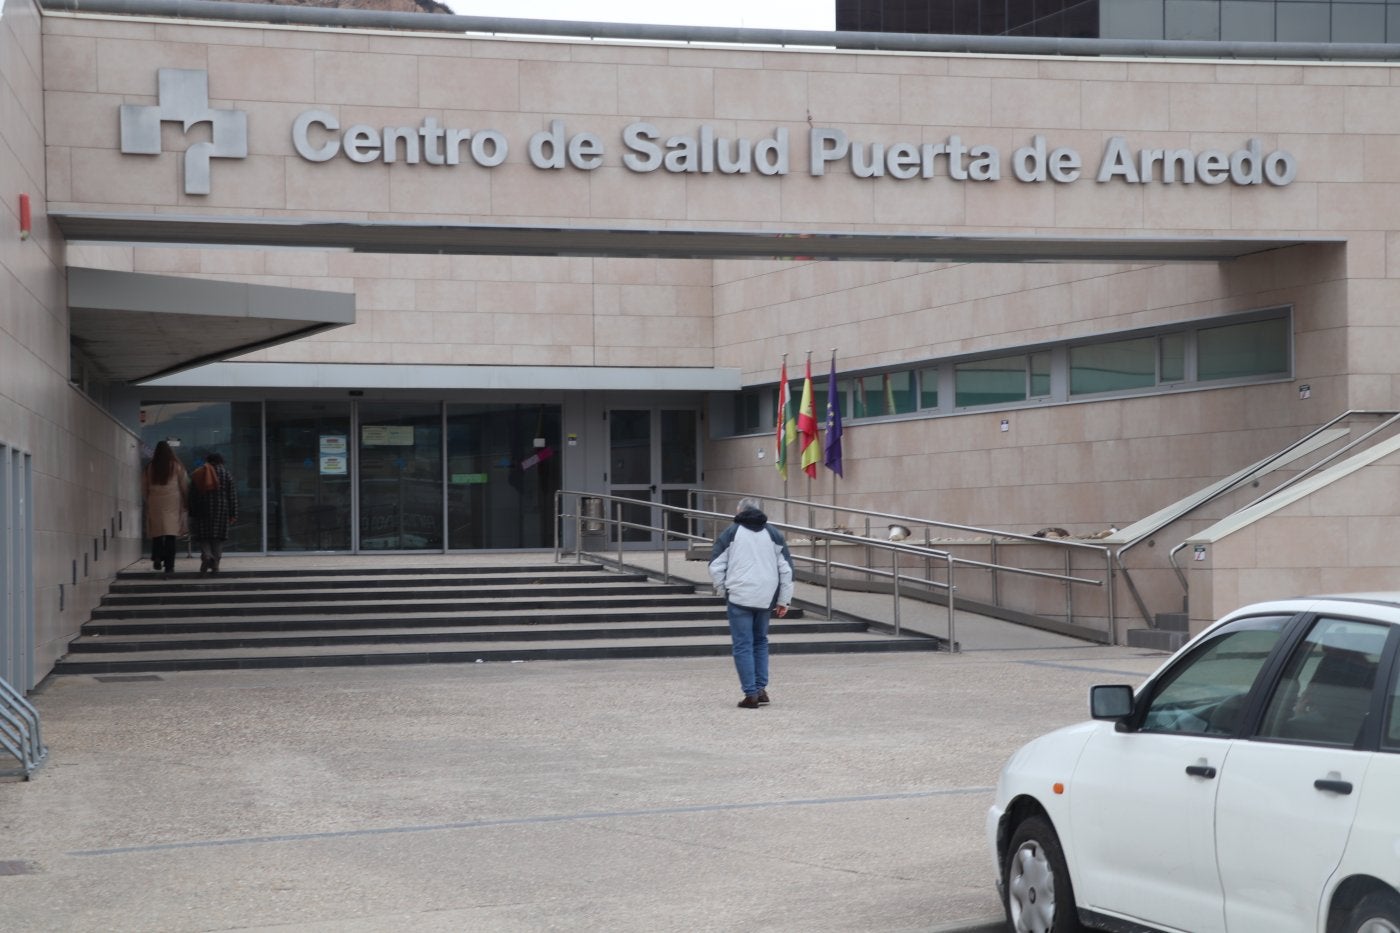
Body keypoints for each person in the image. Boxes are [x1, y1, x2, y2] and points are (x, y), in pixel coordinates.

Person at [708, 497, 794, 709]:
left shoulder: (731, 532)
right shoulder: (773, 533)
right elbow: (786, 569)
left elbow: (716, 565)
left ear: (739, 511)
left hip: (739, 596)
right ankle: (760, 688)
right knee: (760, 641)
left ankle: (751, 693)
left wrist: (723, 589)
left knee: (743, 645)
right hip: (766, 596)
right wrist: (784, 599)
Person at [143, 440, 188, 577]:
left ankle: (157, 557)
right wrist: (185, 500)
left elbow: (144, 487)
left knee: (157, 533)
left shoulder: (150, 467)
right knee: (170, 535)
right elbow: (184, 484)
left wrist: (148, 500)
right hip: (172, 502)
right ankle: (169, 566)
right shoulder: (176, 466)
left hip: (155, 501)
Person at [189, 452, 238, 574]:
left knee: (203, 536)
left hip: (202, 509)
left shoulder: (199, 473)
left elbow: (192, 495)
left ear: (208, 461)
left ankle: (206, 556)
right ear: (221, 461)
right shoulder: (227, 474)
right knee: (218, 538)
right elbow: (232, 496)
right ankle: (215, 564)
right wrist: (233, 513)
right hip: (221, 510)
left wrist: (192, 511)